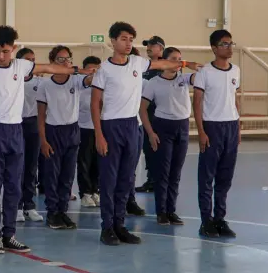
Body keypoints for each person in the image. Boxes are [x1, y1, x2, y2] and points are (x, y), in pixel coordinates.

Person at [0, 26, 95, 254]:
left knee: (14, 186)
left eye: (5, 51)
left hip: (15, 131)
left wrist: (80, 70)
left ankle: (9, 235)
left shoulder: (21, 65)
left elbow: (49, 67)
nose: (0, 56)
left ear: (13, 49)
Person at [91, 22, 201, 247]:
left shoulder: (137, 63)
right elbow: (95, 103)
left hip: (132, 126)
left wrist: (185, 64)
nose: (128, 43)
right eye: (124, 39)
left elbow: (162, 63)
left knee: (126, 179)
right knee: (110, 179)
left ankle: (120, 226)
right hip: (111, 126)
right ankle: (107, 227)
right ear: (112, 41)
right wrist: (99, 135)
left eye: (131, 39)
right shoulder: (104, 69)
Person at [37, 46, 94, 231]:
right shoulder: (45, 84)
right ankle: (52, 212)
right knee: (52, 175)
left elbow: (89, 79)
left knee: (68, 175)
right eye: (60, 59)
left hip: (72, 131)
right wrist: (43, 140)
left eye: (68, 58)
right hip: (53, 131)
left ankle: (63, 211)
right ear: (52, 62)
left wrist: (94, 72)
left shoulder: (76, 80)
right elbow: (41, 115)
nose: (65, 62)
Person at [194, 30, 241, 239]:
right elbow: (197, 103)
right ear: (214, 48)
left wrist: (238, 128)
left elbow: (235, 99)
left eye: (231, 43)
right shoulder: (205, 72)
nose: (229, 47)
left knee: (225, 177)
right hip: (212, 127)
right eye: (224, 44)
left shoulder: (236, 71)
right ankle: (206, 221)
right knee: (207, 176)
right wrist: (201, 131)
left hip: (231, 126)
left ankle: (220, 219)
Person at [140, 47, 193, 226]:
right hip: (163, 127)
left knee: (175, 172)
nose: (178, 63)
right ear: (164, 61)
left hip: (182, 127)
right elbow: (142, 109)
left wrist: (187, 64)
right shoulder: (153, 83)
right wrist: (150, 133)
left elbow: (201, 72)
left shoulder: (183, 79)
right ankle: (161, 211)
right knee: (162, 172)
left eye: (180, 59)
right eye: (173, 59)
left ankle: (171, 210)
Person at [16, 48, 44, 223]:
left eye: (33, 59)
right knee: (18, 167)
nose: (31, 63)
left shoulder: (40, 82)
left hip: (33, 124)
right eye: (28, 59)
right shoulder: (14, 79)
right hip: (16, 124)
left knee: (32, 166)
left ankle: (29, 205)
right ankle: (17, 206)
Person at [136, 35, 165, 193]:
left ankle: (160, 180)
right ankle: (151, 179)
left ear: (161, 48)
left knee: (159, 148)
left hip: (159, 114)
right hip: (145, 113)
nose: (148, 48)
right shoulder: (145, 69)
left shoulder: (165, 68)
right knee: (148, 147)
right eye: (147, 46)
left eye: (152, 46)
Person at [76, 56, 102, 208]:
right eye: (91, 70)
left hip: (99, 129)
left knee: (98, 162)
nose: (94, 73)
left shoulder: (102, 87)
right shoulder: (79, 86)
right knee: (84, 162)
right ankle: (85, 193)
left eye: (97, 70)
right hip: (83, 128)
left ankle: (95, 191)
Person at [125, 46, 147, 219]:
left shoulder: (142, 81)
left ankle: (129, 200)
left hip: (136, 126)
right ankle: (116, 200)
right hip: (117, 126)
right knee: (117, 167)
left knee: (131, 167)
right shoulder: (113, 76)